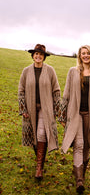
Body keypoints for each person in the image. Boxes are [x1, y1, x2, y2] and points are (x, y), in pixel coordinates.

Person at [59, 45, 90, 194]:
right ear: (79, 56)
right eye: (82, 53)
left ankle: (81, 175)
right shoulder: (73, 72)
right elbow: (66, 93)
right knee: (78, 144)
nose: (85, 56)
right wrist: (62, 114)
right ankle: (79, 180)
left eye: (87, 53)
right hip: (75, 114)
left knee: (86, 145)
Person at [18, 44, 60, 180]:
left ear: (44, 57)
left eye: (41, 55)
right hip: (30, 108)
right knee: (34, 136)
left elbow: (56, 91)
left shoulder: (50, 71)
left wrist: (56, 108)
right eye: (36, 54)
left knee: (41, 134)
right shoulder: (26, 71)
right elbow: (21, 91)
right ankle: (40, 161)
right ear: (33, 56)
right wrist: (23, 108)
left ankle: (39, 168)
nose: (38, 56)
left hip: (45, 108)